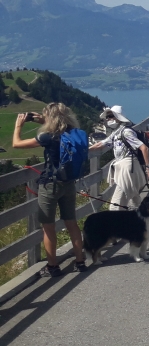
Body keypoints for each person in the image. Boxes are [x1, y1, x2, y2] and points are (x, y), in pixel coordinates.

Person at [12, 103, 87, 277]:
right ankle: (80, 262)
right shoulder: (75, 133)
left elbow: (17, 144)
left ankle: (52, 267)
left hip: (50, 185)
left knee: (48, 227)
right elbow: (60, 131)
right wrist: (43, 120)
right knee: (72, 224)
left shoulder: (48, 137)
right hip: (69, 183)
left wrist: (18, 126)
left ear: (50, 118)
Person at [89, 106, 149, 211]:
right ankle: (144, 219)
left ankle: (119, 222)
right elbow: (101, 144)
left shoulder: (126, 132)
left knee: (115, 207)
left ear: (118, 117)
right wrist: (85, 150)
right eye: (107, 117)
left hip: (127, 170)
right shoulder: (117, 133)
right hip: (126, 169)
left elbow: (144, 148)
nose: (108, 119)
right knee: (135, 201)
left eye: (111, 116)